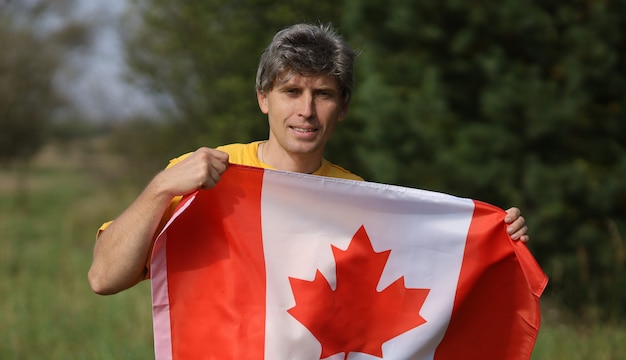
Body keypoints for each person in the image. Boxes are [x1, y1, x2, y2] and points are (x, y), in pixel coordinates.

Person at [88, 22, 528, 295]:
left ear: (343, 107)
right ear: (263, 98)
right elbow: (105, 278)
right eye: (291, 91)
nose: (306, 111)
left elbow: (425, 281)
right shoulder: (202, 179)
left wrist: (492, 239)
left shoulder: (358, 197)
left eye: (323, 95)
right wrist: (162, 187)